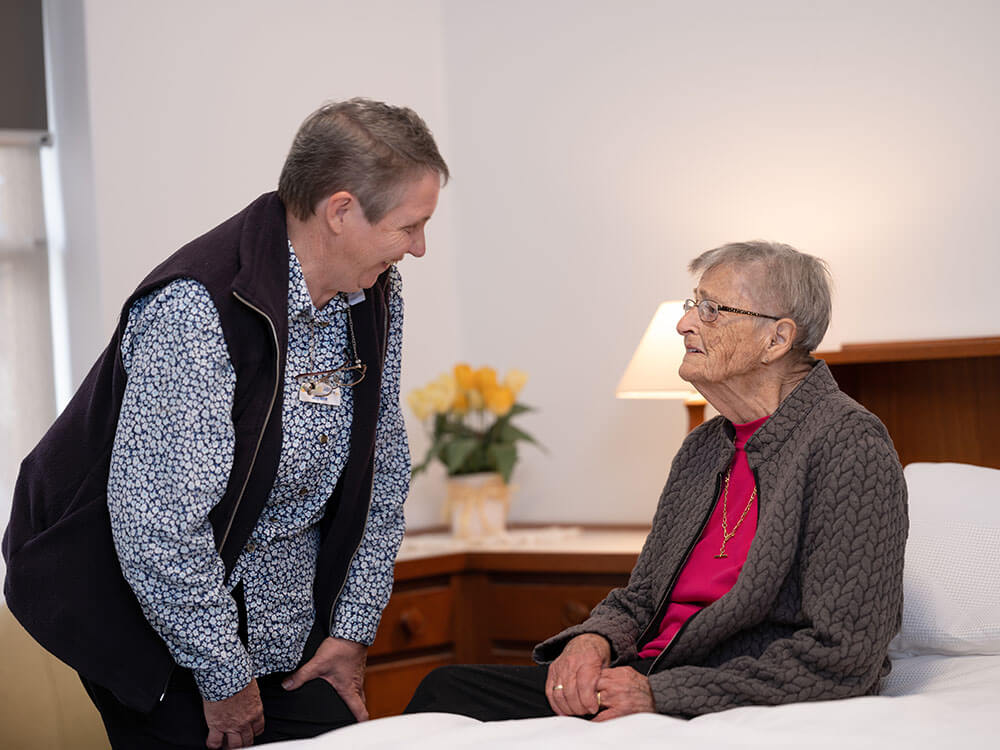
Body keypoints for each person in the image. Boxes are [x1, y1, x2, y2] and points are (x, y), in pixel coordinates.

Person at [3, 98, 448, 748]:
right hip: (159, 629)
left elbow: (380, 478)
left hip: (284, 633)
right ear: (341, 210)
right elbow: (158, 530)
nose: (421, 248)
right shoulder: (196, 310)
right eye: (411, 226)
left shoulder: (375, 294)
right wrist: (223, 676)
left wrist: (350, 632)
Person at [405, 240, 907, 721]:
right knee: (445, 690)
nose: (684, 323)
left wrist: (660, 694)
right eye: (693, 305)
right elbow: (643, 597)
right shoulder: (704, 446)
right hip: (645, 673)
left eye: (711, 310)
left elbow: (845, 655)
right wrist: (592, 640)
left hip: (715, 688)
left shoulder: (849, 443)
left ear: (777, 339)